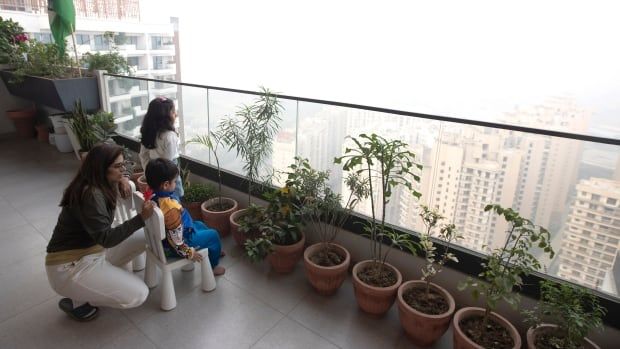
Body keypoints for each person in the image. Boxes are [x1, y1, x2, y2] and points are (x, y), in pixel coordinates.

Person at [45, 143, 155, 322]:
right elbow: (106, 238)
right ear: (101, 168)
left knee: (144, 235)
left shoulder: (99, 180)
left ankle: (88, 286)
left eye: (123, 164)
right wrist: (141, 218)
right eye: (118, 166)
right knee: (139, 294)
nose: (123, 169)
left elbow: (90, 159)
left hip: (91, 251)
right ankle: (77, 297)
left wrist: (122, 178)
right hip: (68, 267)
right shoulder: (91, 195)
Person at [145, 158, 225, 275]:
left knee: (200, 224)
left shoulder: (152, 196)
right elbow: (176, 240)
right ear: (166, 185)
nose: (176, 183)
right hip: (178, 245)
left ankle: (214, 249)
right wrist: (189, 253)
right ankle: (213, 265)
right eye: (174, 181)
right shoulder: (170, 210)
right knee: (213, 235)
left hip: (164, 241)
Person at [139, 97, 184, 198]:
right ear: (165, 117)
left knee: (159, 201)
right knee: (173, 202)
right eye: (173, 112)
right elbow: (167, 163)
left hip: (155, 174)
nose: (176, 114)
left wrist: (150, 174)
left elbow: (143, 155)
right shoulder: (170, 136)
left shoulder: (149, 133)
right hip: (169, 176)